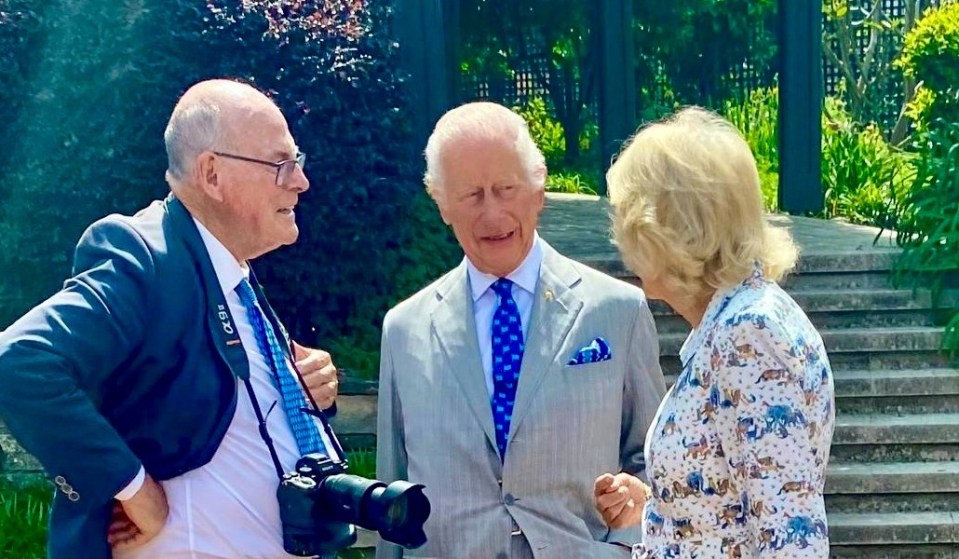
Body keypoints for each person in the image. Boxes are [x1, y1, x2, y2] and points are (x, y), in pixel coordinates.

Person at [0, 79, 342, 559]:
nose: (301, 181)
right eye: (281, 165)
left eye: (297, 164)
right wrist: (133, 488)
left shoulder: (234, 279)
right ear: (212, 174)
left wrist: (305, 392)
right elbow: (19, 363)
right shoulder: (146, 255)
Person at [375, 101, 667, 559]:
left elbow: (658, 461)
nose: (492, 212)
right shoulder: (404, 330)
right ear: (440, 202)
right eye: (471, 195)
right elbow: (393, 499)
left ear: (538, 187)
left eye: (505, 188)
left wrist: (629, 533)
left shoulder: (617, 310)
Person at [605, 107, 835, 558]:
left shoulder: (748, 335)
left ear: (662, 229)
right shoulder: (741, 319)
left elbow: (791, 538)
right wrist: (660, 507)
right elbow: (734, 510)